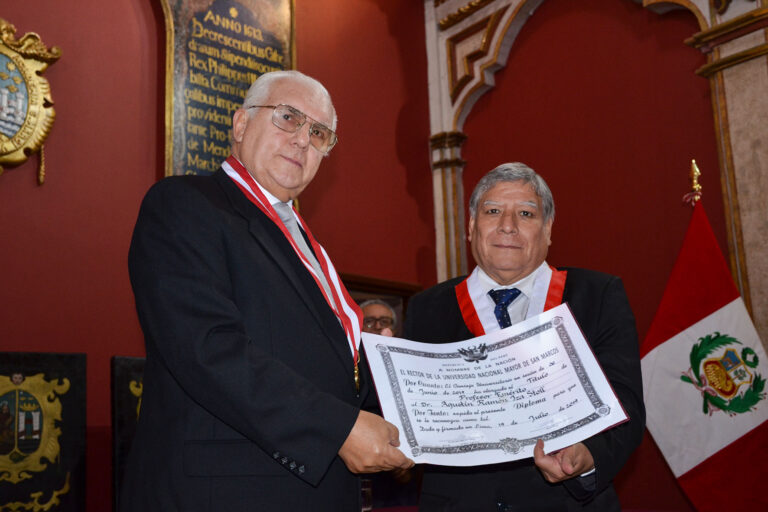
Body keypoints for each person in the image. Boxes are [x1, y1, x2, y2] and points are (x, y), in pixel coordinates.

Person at [121, 70, 413, 512]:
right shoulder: (184, 204)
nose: (302, 140)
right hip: (226, 495)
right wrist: (338, 429)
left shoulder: (304, 242)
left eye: (319, 133)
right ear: (241, 124)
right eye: (288, 118)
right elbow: (208, 349)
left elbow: (336, 371)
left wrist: (407, 421)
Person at [404, 163, 645, 511]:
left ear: (547, 230)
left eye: (526, 214)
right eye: (493, 211)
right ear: (471, 226)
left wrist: (587, 454)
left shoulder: (598, 295)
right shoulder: (426, 309)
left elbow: (626, 406)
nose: (507, 225)